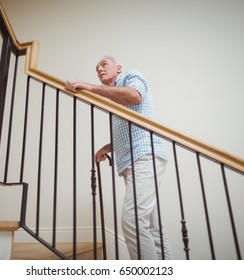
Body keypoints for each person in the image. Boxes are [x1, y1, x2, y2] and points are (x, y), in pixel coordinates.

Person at [65, 55, 172, 260]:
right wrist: (107, 147)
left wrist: (90, 87)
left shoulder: (131, 76)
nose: (99, 70)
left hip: (144, 156)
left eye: (103, 65)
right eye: (96, 68)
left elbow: (135, 96)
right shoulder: (115, 99)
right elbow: (129, 131)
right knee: (153, 228)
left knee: (132, 221)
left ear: (119, 68)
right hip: (134, 161)